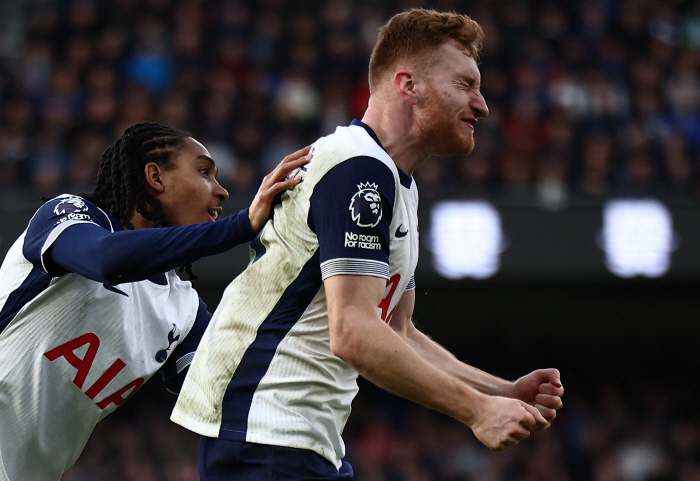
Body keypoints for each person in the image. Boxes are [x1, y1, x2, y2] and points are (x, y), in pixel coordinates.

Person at [171, 9, 564, 481]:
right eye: (465, 84)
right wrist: (475, 410)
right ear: (408, 85)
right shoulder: (357, 168)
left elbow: (398, 330)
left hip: (296, 439)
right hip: (265, 433)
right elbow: (353, 331)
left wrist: (500, 391)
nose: (481, 105)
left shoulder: (394, 181)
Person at [0, 121, 310, 481]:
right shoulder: (71, 214)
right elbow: (106, 260)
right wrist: (239, 227)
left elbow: (235, 387)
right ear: (155, 177)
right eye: (204, 172)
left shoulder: (183, 309)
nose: (222, 191)